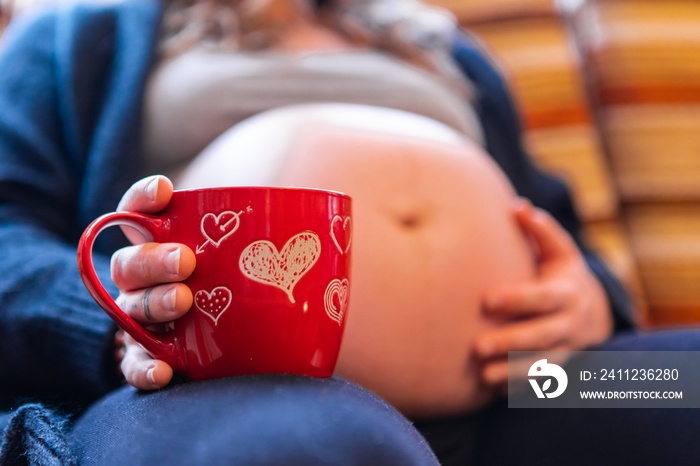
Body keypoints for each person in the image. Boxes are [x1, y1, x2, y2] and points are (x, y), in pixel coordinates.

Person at [9, 0, 696, 465]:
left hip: (521, 382)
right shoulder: (84, 34)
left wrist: (586, 299)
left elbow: (558, 228)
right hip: (235, 389)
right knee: (320, 448)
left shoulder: (441, 45)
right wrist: (114, 323)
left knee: (679, 384)